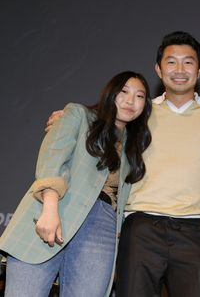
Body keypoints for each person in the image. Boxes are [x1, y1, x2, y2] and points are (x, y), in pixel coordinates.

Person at [46, 31, 200, 297]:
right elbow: (103, 117)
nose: (180, 69)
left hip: (193, 230)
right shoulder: (138, 112)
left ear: (199, 70)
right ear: (158, 69)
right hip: (141, 227)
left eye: (188, 62)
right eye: (171, 62)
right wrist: (72, 116)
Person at [0, 71, 152, 297]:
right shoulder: (79, 114)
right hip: (57, 208)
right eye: (124, 92)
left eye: (140, 96)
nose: (131, 101)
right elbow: (53, 159)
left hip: (103, 225)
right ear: (111, 93)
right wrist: (50, 208)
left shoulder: (135, 147)